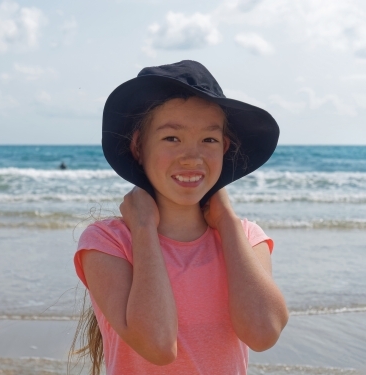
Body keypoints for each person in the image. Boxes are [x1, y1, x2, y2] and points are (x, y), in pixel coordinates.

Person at [70, 60, 288, 375]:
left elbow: (263, 333)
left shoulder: (246, 237)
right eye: (172, 138)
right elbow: (157, 345)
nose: (192, 156)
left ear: (224, 148)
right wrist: (143, 227)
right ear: (138, 147)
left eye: (209, 140)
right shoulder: (108, 242)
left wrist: (226, 219)